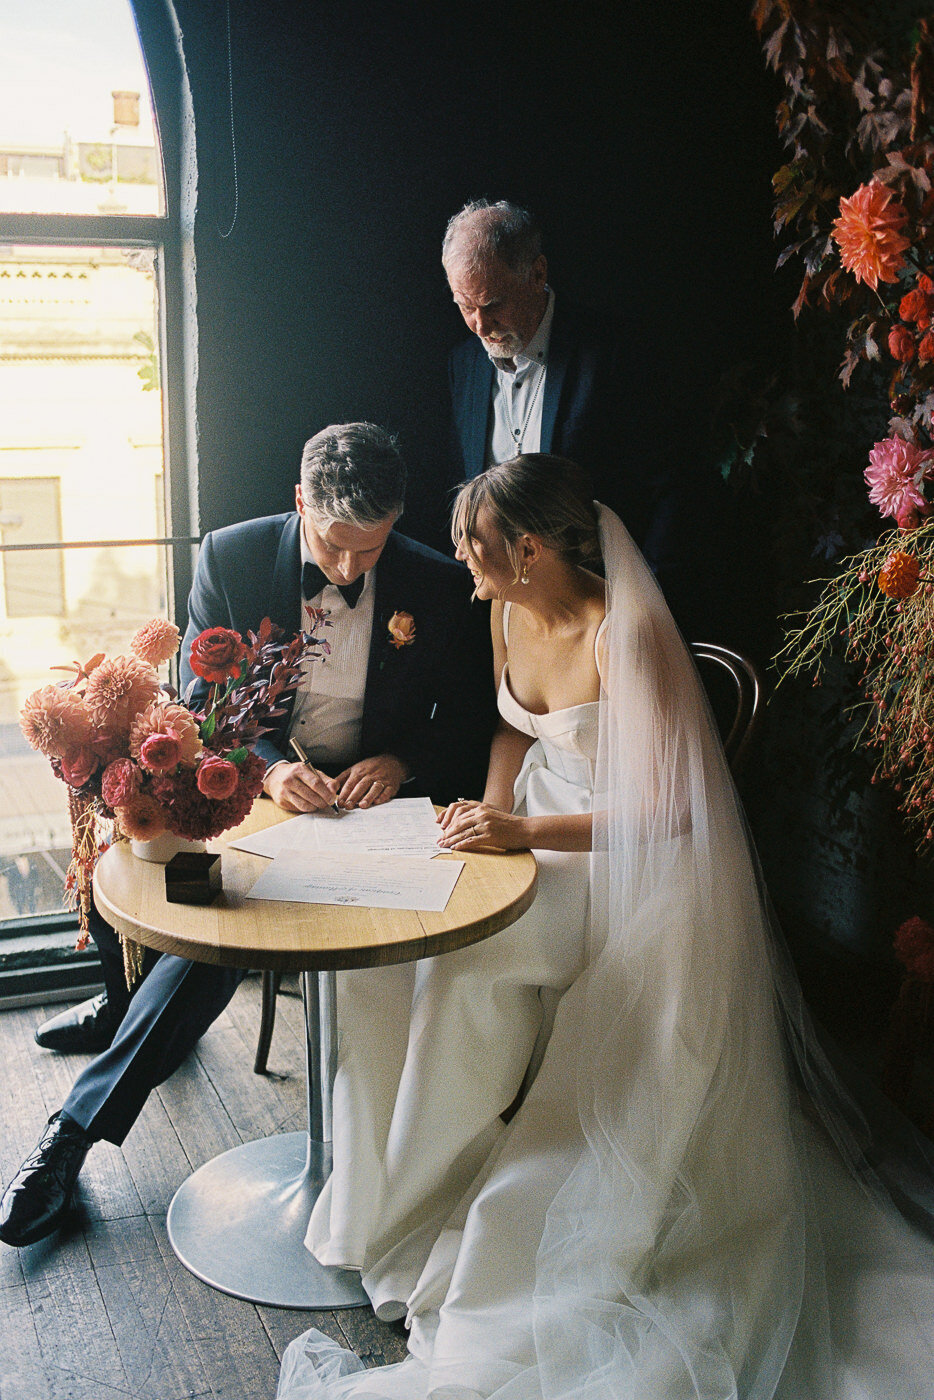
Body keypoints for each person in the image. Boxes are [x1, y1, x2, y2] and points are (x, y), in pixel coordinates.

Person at [279, 454, 934, 1400]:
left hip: (621, 859)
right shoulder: (505, 607)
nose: (463, 567)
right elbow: (514, 728)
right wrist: (488, 820)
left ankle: (447, 1205)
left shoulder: (622, 635)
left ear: (533, 548)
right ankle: (395, 1194)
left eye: (477, 548)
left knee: (463, 969)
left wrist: (523, 832)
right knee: (396, 952)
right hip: (528, 824)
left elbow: (672, 813)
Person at [0, 422, 496, 1250]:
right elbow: (199, 701)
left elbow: (475, 716)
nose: (349, 569)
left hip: (388, 813)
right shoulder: (231, 557)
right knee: (213, 939)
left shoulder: (439, 584)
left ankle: (385, 1165)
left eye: (370, 552)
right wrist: (266, 771)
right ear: (300, 503)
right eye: (336, 546)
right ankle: (71, 1137)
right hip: (253, 797)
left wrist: (401, 758)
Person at [443, 199, 685, 609]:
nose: (480, 325)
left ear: (537, 273)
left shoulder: (613, 351)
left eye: (493, 304)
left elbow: (672, 486)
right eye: (465, 306)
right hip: (508, 614)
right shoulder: (463, 363)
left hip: (610, 605)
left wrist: (644, 599)